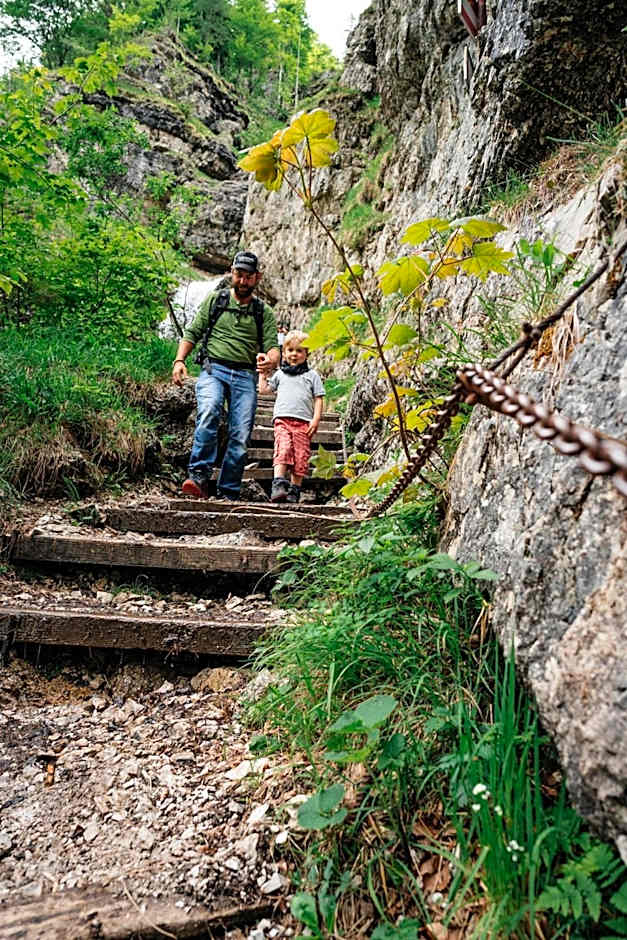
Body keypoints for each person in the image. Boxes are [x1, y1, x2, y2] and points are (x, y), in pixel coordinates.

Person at [172, 251, 278, 500]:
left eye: (248, 277)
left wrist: (270, 360)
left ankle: (228, 491)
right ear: (232, 273)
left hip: (245, 375)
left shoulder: (264, 312)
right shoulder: (215, 300)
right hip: (213, 369)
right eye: (239, 275)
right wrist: (179, 360)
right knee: (209, 409)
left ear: (257, 278)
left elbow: (274, 348)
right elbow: (193, 331)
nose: (243, 282)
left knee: (241, 432)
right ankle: (198, 476)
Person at [258, 330, 325, 503]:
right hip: (282, 420)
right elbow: (264, 391)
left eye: (299, 350)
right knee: (284, 449)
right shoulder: (280, 374)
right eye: (290, 350)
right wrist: (262, 374)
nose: (294, 354)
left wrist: (316, 419)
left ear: (306, 354)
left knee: (301, 455)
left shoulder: (312, 376)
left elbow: (318, 398)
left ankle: (295, 490)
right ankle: (278, 485)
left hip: (304, 423)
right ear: (284, 353)